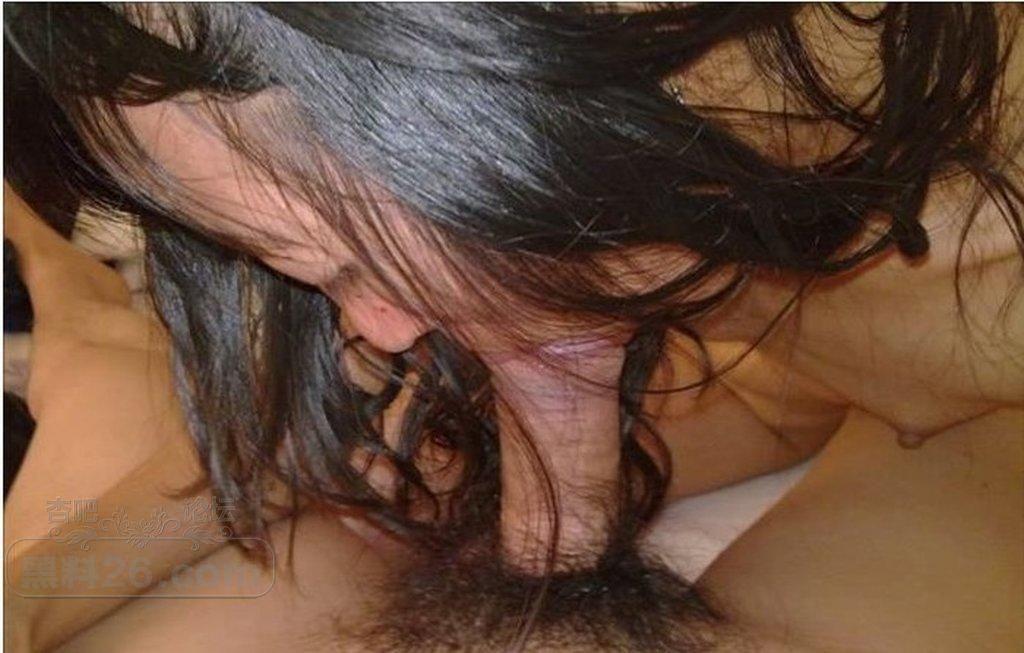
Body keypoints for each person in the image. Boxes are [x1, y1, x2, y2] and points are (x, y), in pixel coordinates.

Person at [4, 3, 1022, 651]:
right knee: (355, 468)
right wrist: (27, 599)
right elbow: (282, 452)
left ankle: (73, 309)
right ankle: (70, 300)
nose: (379, 326)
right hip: (761, 358)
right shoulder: (616, 195)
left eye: (350, 265)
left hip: (958, 413)